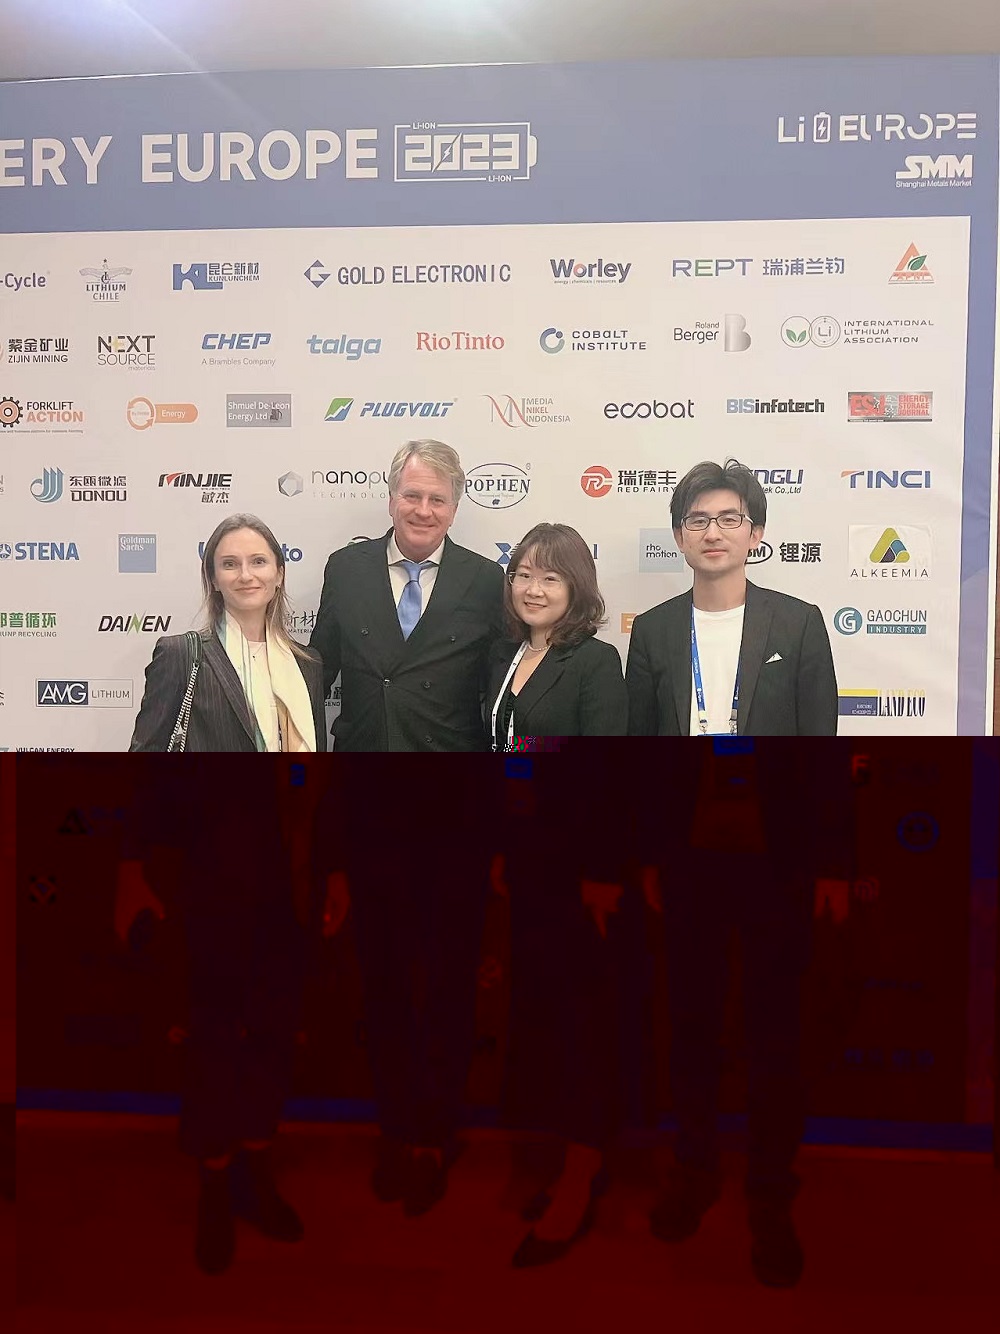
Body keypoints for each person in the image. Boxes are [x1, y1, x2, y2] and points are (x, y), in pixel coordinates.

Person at [637, 738, 855, 1288]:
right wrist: (653, 851)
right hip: (690, 852)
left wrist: (833, 859)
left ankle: (769, 1189)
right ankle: (695, 1167)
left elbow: (826, 743)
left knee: (776, 1036)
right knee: (692, 1028)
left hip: (781, 854)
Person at [115, 757, 336, 1274]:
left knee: (273, 1035)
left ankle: (255, 1174)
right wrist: (130, 865)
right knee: (210, 1040)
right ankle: (214, 1184)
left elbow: (321, 773)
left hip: (287, 880)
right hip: (206, 874)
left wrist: (333, 867)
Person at [314, 757, 501, 1215]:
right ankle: (398, 1128)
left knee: (446, 994)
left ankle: (431, 1136)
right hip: (377, 840)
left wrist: (497, 840)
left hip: (456, 839)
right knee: (386, 997)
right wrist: (335, 861)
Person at [492, 745, 634, 1268]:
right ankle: (576, 1166)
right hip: (536, 852)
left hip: (588, 858)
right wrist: (509, 844)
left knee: (588, 1022)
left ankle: (581, 1174)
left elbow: (614, 758)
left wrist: (603, 866)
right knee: (553, 1023)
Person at [309, 439, 504, 750]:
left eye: (437, 500)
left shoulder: (486, 580)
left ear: (453, 511)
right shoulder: (345, 569)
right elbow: (319, 671)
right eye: (412, 496)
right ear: (391, 501)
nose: (423, 511)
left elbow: (502, 687)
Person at [626, 459, 838, 735]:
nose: (712, 534)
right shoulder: (652, 629)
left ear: (755, 535)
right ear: (679, 537)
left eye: (729, 520)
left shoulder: (799, 624)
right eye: (698, 521)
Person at [129, 514, 326, 752]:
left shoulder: (308, 664)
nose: (246, 575)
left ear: (279, 575)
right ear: (213, 579)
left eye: (258, 561)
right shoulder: (179, 655)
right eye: (230, 564)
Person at [487, 524, 628, 748]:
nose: (533, 590)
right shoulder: (502, 652)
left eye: (549, 579)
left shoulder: (595, 660)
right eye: (524, 575)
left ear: (576, 586)